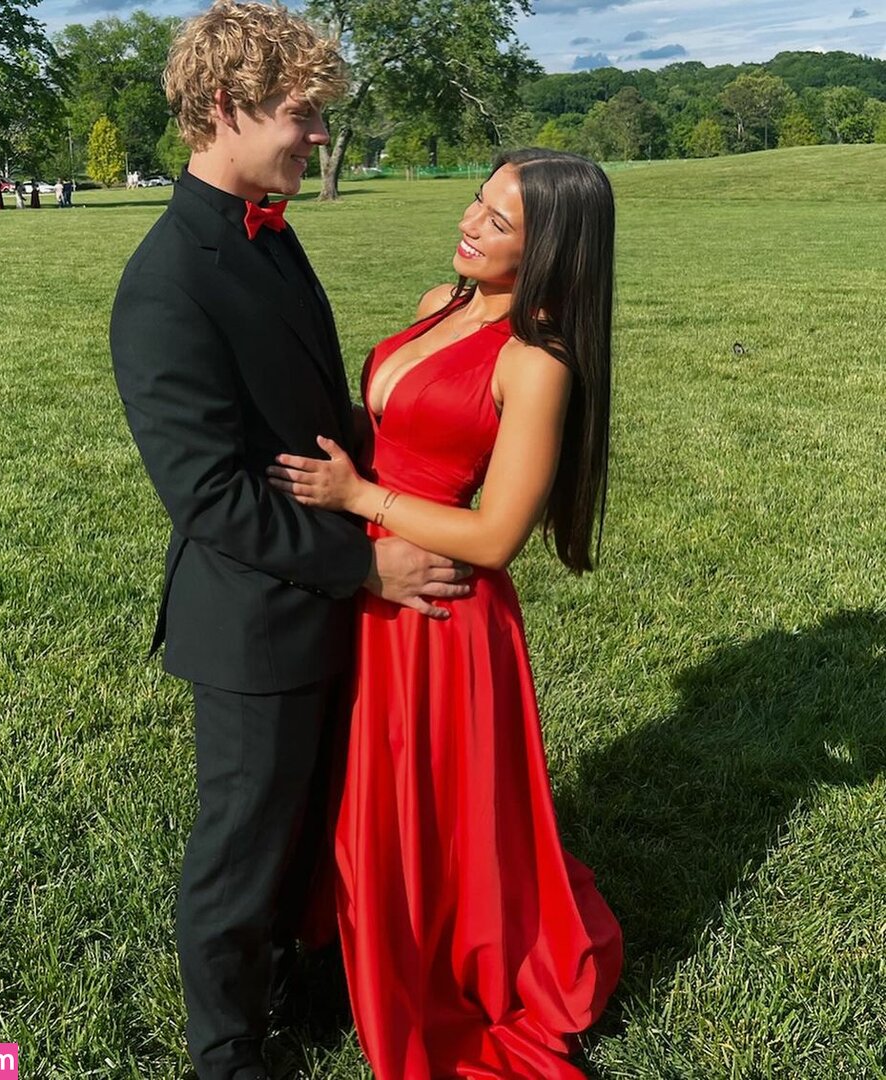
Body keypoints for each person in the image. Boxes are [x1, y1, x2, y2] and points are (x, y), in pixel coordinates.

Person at [108, 4, 469, 1078]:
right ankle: (227, 1052)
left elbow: (308, 411)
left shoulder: (268, 226)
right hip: (253, 623)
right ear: (226, 106)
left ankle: (299, 987)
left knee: (310, 823)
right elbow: (208, 496)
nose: (317, 134)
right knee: (244, 846)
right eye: (302, 114)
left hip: (319, 601)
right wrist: (368, 562)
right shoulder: (166, 280)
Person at [267, 148, 624, 1079]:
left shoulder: (536, 363)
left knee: (428, 813)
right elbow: (390, 425)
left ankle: (427, 962)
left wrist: (359, 499)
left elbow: (496, 534)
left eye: (499, 222)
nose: (469, 223)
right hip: (372, 583)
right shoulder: (441, 303)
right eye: (477, 201)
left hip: (441, 611)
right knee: (357, 787)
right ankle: (343, 937)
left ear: (552, 250)